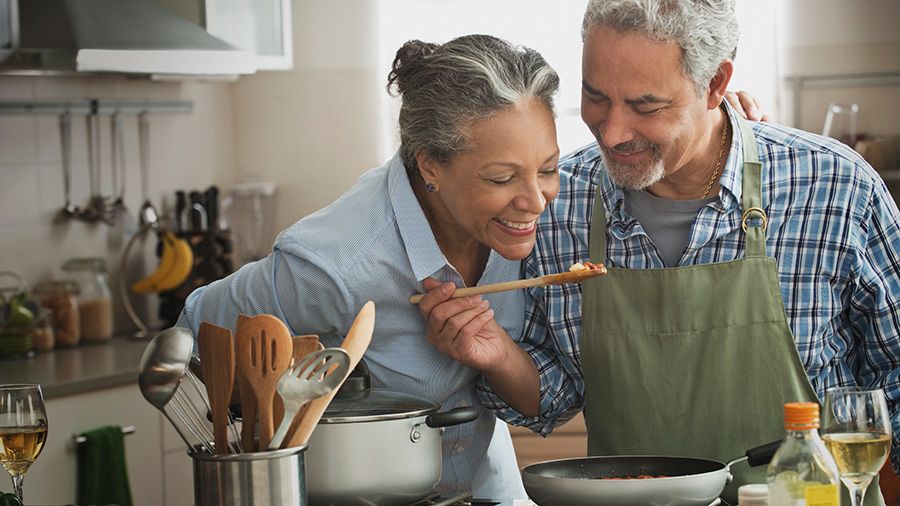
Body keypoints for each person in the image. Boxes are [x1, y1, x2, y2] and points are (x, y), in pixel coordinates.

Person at [416, 1, 900, 504]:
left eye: (646, 106)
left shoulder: (836, 187)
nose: (612, 131)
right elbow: (557, 395)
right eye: (594, 96)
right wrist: (497, 354)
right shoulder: (558, 203)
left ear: (715, 85)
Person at [177, 34, 561, 499]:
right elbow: (195, 334)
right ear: (431, 167)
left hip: (485, 486)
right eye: (502, 178)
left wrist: (498, 354)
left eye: (547, 169)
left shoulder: (527, 228)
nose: (536, 200)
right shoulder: (335, 263)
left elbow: (542, 401)